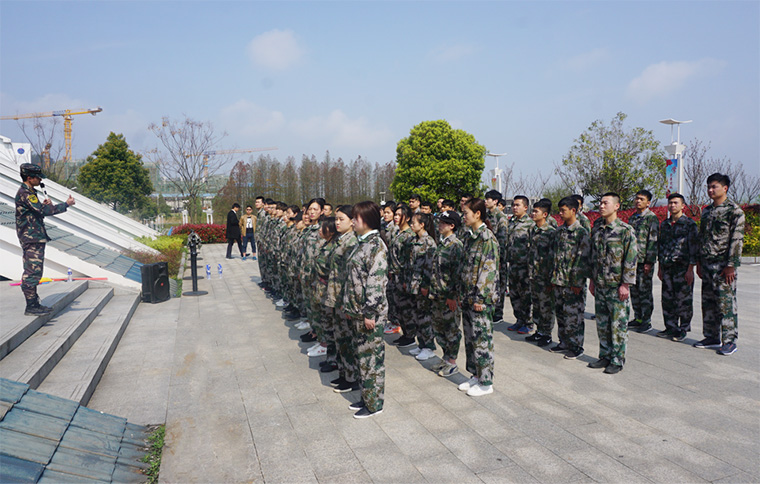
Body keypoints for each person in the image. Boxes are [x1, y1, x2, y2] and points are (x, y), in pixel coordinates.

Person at [342, 201, 389, 418]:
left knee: (371, 360)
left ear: (367, 220)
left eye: (356, 217)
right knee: (362, 358)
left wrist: (370, 313)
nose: (352, 221)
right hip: (358, 312)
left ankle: (374, 404)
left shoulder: (376, 247)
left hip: (370, 314)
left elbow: (375, 283)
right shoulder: (361, 244)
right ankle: (366, 396)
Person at [694, 173, 745, 356]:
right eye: (708, 186)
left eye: (714, 186)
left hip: (723, 267)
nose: (710, 190)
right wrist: (699, 262)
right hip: (707, 264)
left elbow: (736, 239)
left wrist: (731, 265)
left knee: (726, 303)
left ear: (725, 188)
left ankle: (729, 340)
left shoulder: (734, 211)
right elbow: (702, 238)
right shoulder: (706, 211)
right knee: (708, 302)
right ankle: (711, 336)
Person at [15, 163, 75, 315]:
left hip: (34, 236)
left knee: (36, 271)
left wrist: (43, 206)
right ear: (29, 178)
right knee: (32, 272)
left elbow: (37, 211)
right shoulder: (25, 193)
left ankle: (34, 302)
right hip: (31, 238)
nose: (40, 180)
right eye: (37, 177)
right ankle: (31, 306)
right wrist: (66, 204)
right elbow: (44, 211)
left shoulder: (30, 193)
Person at [588, 192, 637, 374]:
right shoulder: (597, 229)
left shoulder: (625, 230)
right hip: (600, 285)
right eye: (600, 203)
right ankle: (605, 355)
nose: (601, 206)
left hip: (617, 286)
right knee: (602, 323)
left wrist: (626, 284)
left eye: (605, 203)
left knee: (618, 325)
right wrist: (592, 280)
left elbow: (631, 259)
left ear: (617, 206)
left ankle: (617, 359)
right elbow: (593, 257)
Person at [457, 198, 499, 397]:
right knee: (471, 339)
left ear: (478, 214)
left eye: (466, 213)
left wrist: (481, 299)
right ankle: (475, 374)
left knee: (482, 339)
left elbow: (488, 271)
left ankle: (486, 381)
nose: (463, 216)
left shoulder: (487, 239)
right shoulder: (469, 237)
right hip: (467, 296)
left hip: (480, 300)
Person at [550, 196, 591, 359]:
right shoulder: (559, 231)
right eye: (559, 210)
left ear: (573, 211)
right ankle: (564, 342)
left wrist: (578, 281)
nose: (560, 213)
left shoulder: (581, 232)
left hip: (572, 282)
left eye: (563, 210)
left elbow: (583, 258)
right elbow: (555, 256)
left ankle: (576, 345)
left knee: (574, 315)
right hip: (559, 280)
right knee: (561, 313)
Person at [657, 193, 698, 342]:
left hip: (682, 268)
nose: (672, 205)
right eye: (670, 203)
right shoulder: (665, 224)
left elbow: (693, 248)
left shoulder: (689, 224)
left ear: (683, 206)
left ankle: (683, 329)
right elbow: (661, 246)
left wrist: (690, 269)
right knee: (667, 299)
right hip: (667, 267)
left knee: (684, 300)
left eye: (675, 203)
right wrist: (660, 267)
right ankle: (670, 327)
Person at [429, 210, 464, 377]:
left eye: (444, 223)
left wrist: (453, 296)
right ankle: (445, 357)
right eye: (439, 222)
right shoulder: (442, 243)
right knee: (438, 328)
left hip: (448, 296)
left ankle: (452, 362)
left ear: (452, 226)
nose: (439, 225)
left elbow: (457, 274)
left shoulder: (456, 245)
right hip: (437, 295)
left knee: (451, 329)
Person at [405, 212, 438, 361]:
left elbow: (430, 267)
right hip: (414, 283)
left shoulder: (428, 242)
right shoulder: (414, 240)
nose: (412, 225)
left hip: (423, 285)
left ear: (422, 224)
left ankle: (429, 347)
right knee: (417, 315)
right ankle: (421, 343)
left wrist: (425, 285)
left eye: (414, 222)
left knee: (425, 316)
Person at [525, 199, 557, 347]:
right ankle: (539, 331)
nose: (533, 213)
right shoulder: (533, 230)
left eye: (536, 211)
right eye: (533, 211)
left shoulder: (550, 232)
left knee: (546, 306)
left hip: (545, 276)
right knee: (536, 304)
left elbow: (553, 257)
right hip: (534, 275)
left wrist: (551, 277)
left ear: (545, 214)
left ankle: (547, 333)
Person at [627, 190, 659, 333]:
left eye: (641, 199)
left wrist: (649, 261)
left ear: (648, 202)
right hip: (633, 261)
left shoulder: (651, 218)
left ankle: (646, 320)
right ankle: (638, 317)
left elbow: (653, 240)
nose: (638, 201)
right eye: (637, 198)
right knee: (634, 291)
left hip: (644, 261)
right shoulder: (633, 218)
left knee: (645, 291)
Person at [506, 196, 535, 334]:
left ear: (525, 207)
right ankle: (519, 320)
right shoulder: (511, 222)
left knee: (525, 296)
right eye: (513, 205)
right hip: (513, 265)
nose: (514, 207)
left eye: (517, 205)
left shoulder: (530, 224)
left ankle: (528, 323)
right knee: (514, 294)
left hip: (524, 266)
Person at [484, 190, 508, 324]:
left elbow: (502, 240)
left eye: (489, 199)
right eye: (486, 198)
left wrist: (498, 259)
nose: (486, 201)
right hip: (487, 256)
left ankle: (498, 313)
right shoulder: (485, 215)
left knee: (499, 285)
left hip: (498, 257)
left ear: (495, 202)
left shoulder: (501, 217)